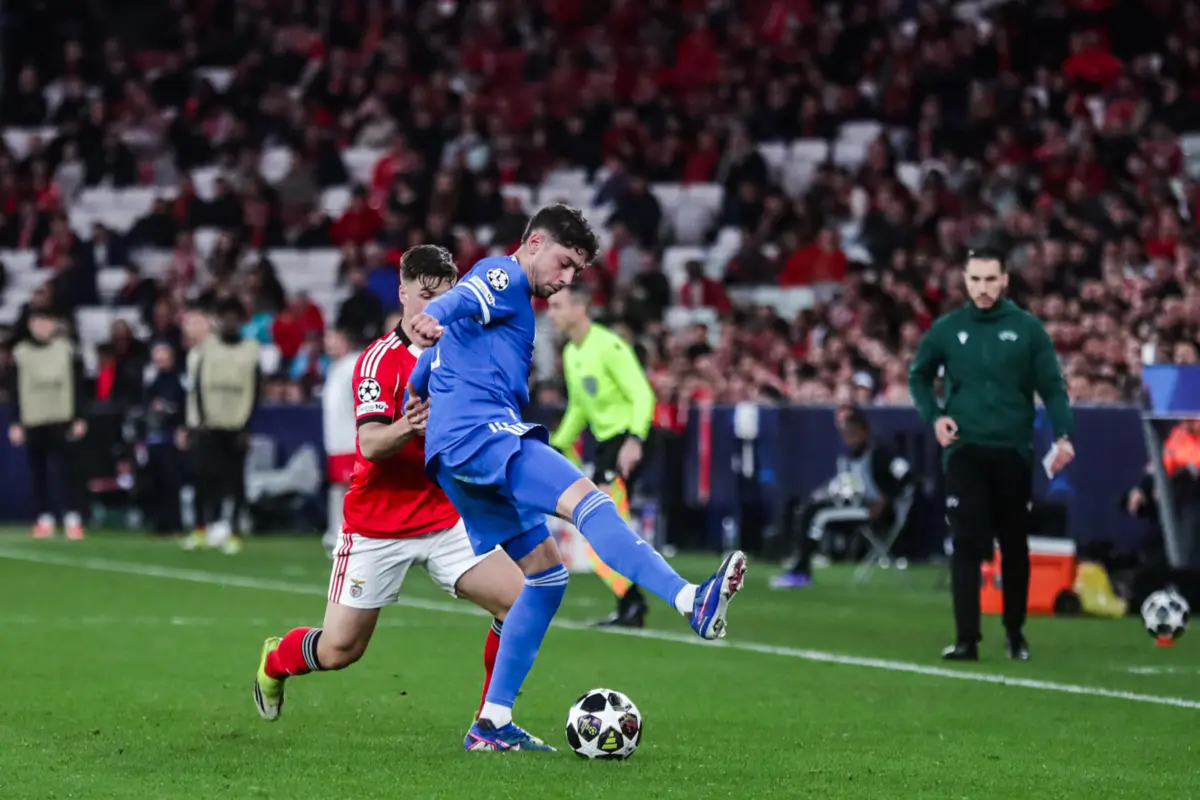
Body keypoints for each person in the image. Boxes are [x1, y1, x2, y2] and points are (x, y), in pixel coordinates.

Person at [407, 204, 747, 753]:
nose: (566, 279)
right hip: (484, 435)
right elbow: (462, 299)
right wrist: (434, 313)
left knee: (546, 577)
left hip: (453, 459)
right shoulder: (506, 274)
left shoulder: (500, 312)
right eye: (564, 263)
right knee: (593, 506)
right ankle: (690, 601)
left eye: (577, 272)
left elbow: (426, 367)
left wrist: (416, 396)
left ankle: (491, 723)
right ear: (535, 242)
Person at [253, 245, 525, 724]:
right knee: (341, 649)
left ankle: (491, 723)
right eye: (424, 295)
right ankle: (276, 660)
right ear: (401, 294)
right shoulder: (379, 362)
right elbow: (372, 443)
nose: (433, 307)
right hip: (377, 526)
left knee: (519, 603)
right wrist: (408, 427)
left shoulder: (463, 352)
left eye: (445, 295)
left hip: (445, 517)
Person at [908, 247, 1075, 662]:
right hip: (963, 449)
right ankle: (967, 639)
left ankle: (1015, 633)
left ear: (1005, 281)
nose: (983, 288)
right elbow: (919, 375)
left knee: (1014, 544)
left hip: (1012, 451)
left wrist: (1065, 435)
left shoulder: (1027, 329)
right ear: (965, 281)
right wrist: (935, 417)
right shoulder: (948, 330)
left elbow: (1052, 387)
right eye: (975, 279)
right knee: (965, 540)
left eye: (990, 279)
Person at [546, 284, 656, 627]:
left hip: (626, 441)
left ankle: (633, 603)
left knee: (601, 528)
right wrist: (554, 443)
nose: (552, 313)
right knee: (604, 528)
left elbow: (642, 394)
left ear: (581, 308)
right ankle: (630, 604)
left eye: (558, 305)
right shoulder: (571, 353)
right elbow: (579, 407)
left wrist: (635, 439)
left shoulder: (608, 345)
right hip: (606, 446)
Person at [771, 406, 914, 589]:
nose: (849, 436)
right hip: (855, 505)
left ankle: (802, 572)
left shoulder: (881, 454)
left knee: (820, 517)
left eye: (853, 430)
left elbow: (908, 477)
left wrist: (886, 500)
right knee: (809, 510)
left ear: (864, 430)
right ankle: (800, 566)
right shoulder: (849, 456)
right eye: (846, 431)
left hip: (874, 512)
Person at [182, 297, 260, 554]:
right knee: (205, 478)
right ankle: (204, 527)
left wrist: (248, 425)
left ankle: (234, 531)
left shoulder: (250, 349)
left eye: (233, 316)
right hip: (210, 426)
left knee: (236, 482)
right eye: (224, 316)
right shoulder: (207, 348)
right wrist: (202, 421)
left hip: (237, 426)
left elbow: (256, 388)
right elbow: (199, 387)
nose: (228, 322)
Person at [9, 308, 88, 539]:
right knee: (38, 473)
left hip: (61, 418)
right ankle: (44, 518)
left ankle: (73, 517)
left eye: (47, 321)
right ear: (31, 324)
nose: (42, 327)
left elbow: (79, 384)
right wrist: (16, 421)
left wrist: (79, 416)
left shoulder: (66, 349)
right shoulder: (21, 352)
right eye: (38, 322)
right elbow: (14, 388)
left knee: (68, 471)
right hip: (34, 419)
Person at [321, 325, 363, 557]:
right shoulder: (334, 368)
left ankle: (352, 536)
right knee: (338, 489)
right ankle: (337, 534)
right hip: (335, 442)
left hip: (351, 441)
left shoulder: (354, 365)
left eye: (334, 338)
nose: (329, 343)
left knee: (352, 490)